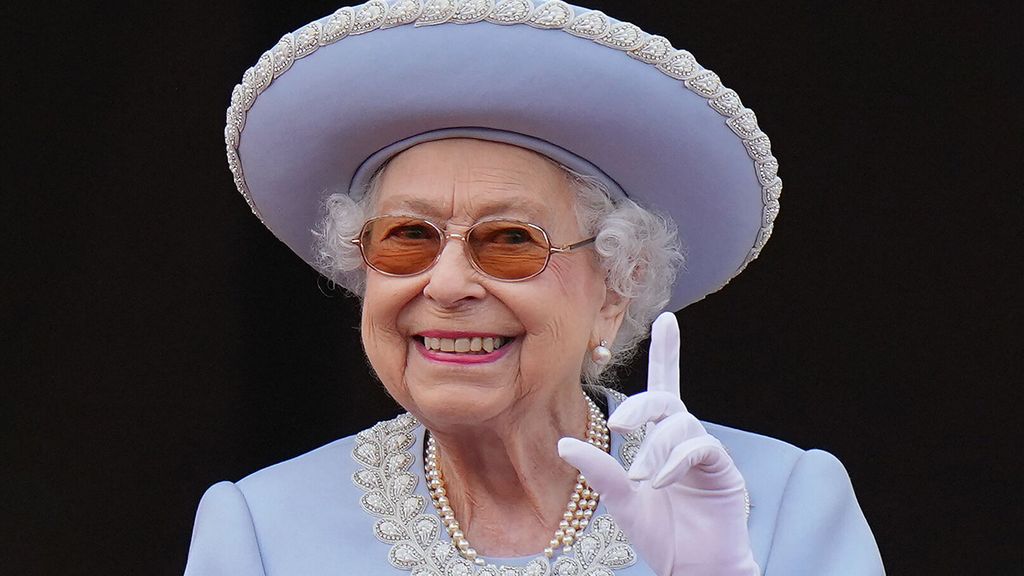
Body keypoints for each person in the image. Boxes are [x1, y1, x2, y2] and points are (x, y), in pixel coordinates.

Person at [187, 2, 884, 574]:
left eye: (512, 241)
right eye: (407, 238)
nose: (450, 283)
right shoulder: (262, 530)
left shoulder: (786, 502)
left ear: (617, 286)